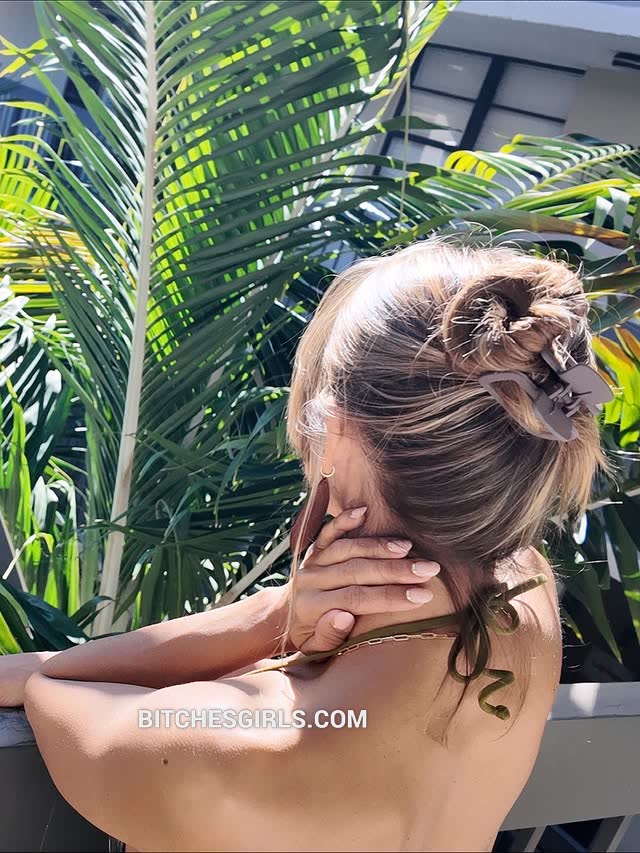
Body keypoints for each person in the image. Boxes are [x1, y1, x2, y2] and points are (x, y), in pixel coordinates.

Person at [0, 241, 611, 852]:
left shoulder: (213, 763)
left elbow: (59, 690)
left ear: (338, 432)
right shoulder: (528, 596)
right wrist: (292, 616)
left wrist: (275, 620)